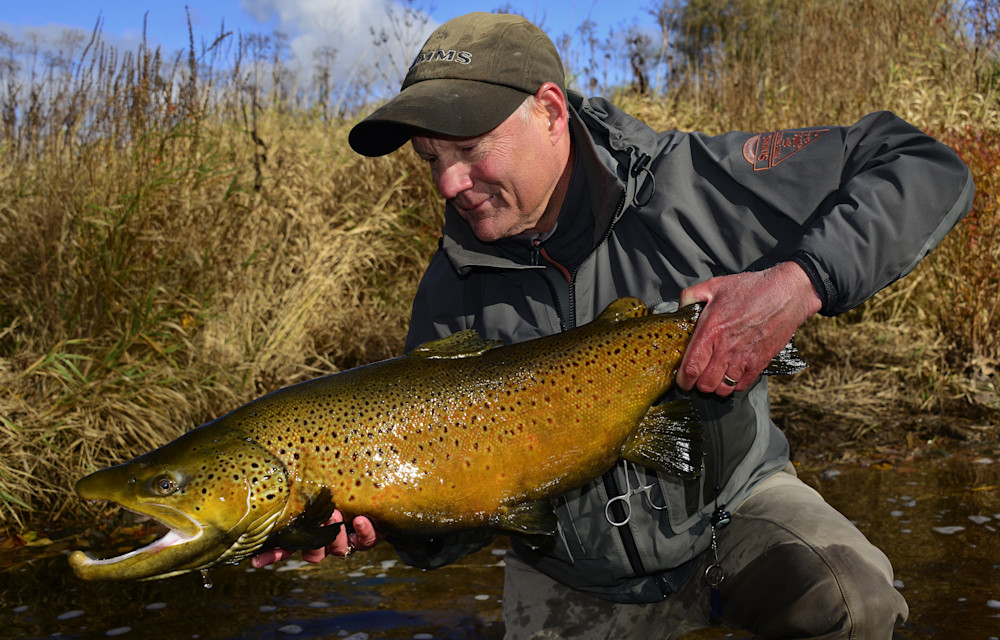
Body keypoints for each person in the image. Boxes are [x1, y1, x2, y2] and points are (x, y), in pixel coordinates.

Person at [254, 12, 975, 639]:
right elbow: (458, 524)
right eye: (431, 159)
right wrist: (393, 521)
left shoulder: (692, 187)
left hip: (733, 510)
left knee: (852, 602)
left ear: (551, 112)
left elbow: (918, 164)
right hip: (569, 574)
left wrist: (800, 282)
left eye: (468, 149)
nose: (447, 183)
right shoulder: (450, 293)